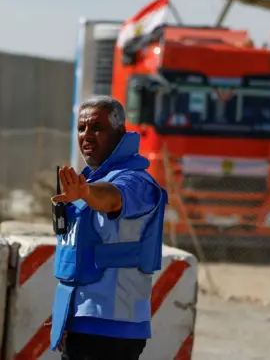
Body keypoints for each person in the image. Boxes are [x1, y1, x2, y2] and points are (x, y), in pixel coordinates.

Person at [49, 96, 168, 360]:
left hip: (113, 330)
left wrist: (86, 192)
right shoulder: (89, 181)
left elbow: (113, 198)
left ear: (119, 133)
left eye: (97, 128)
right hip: (83, 323)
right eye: (81, 128)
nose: (87, 136)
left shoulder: (136, 181)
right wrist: (67, 316)